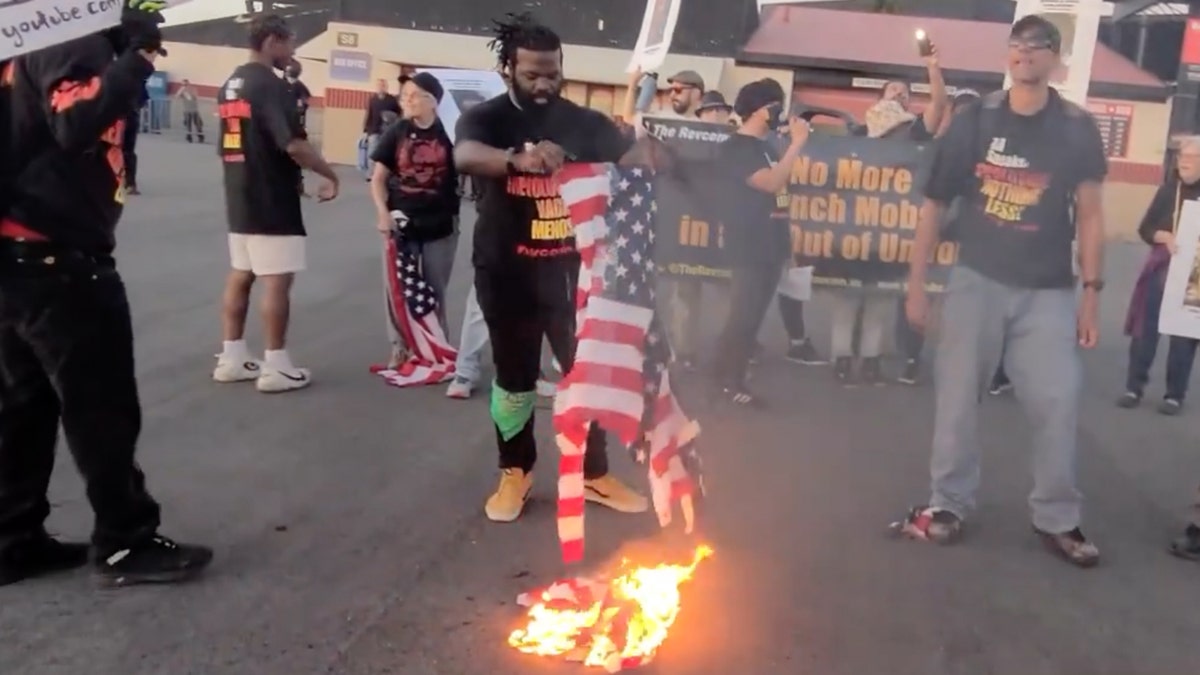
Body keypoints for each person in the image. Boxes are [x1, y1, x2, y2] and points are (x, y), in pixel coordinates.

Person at [0, 6, 212, 587]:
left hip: (18, 254)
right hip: (55, 258)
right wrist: (133, 60)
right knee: (102, 408)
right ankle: (124, 540)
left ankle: (13, 538)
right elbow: (76, 123)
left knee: (24, 408)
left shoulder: (26, 34)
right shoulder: (67, 35)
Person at [895, 16, 1107, 567]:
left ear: (1055, 60)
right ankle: (948, 505)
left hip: (1048, 292)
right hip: (976, 281)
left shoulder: (1076, 127)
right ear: (1007, 56)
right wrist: (916, 287)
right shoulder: (975, 120)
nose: (1024, 56)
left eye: (1037, 48)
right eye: (1016, 47)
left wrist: (1091, 293)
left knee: (1058, 401)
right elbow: (934, 206)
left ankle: (1058, 518)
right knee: (957, 398)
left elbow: (1089, 213)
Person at [454, 12, 648, 523]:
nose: (543, 84)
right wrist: (517, 160)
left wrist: (658, 145)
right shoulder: (488, 118)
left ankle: (593, 474)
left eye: (552, 74)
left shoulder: (583, 122)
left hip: (572, 276)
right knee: (515, 380)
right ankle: (515, 472)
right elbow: (466, 156)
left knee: (586, 377)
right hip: (506, 271)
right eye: (531, 74)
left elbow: (636, 158)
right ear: (508, 71)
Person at [212, 14, 339, 393]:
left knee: (241, 273)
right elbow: (293, 144)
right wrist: (329, 174)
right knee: (276, 281)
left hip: (239, 190)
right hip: (270, 196)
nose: (293, 51)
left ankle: (232, 357)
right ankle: (276, 364)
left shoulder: (230, 85)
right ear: (272, 41)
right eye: (290, 43)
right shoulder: (269, 86)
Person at [829, 44, 947, 386]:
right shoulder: (858, 135)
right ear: (879, 98)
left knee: (880, 297)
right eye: (893, 89)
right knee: (847, 294)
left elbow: (939, 106)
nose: (899, 94)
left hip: (891, 228)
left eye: (905, 92)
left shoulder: (913, 134)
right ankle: (841, 357)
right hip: (853, 225)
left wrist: (933, 67)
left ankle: (869, 359)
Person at [712, 79, 810, 407]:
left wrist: (788, 243)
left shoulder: (767, 147)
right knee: (743, 313)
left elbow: (781, 196)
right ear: (761, 109)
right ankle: (728, 379)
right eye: (776, 105)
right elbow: (769, 183)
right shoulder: (737, 148)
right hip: (748, 243)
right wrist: (797, 144)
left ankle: (733, 374)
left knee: (753, 316)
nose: (781, 112)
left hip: (772, 243)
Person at [369, 71, 459, 364]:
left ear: (433, 101)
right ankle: (400, 345)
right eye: (404, 95)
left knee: (435, 288)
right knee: (396, 286)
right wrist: (383, 214)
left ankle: (437, 345)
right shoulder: (396, 131)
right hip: (401, 221)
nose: (407, 100)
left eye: (414, 95)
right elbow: (378, 178)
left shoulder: (451, 133)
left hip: (441, 224)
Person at [895, 87, 977, 385]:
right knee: (914, 297)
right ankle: (911, 358)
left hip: (963, 241)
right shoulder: (934, 146)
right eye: (960, 111)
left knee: (956, 307)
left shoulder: (985, 151)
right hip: (929, 235)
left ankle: (951, 364)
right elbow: (920, 189)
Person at [1117, 137, 1200, 416]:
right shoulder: (1168, 191)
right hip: (1160, 269)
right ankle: (1133, 387)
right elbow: (1145, 228)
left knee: (1183, 336)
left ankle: (1174, 394)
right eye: (1181, 157)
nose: (1184, 162)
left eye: (1192, 157)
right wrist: (1161, 235)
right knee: (1145, 330)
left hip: (1194, 275)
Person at [362, 78, 400, 180]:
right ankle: (371, 174)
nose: (381, 88)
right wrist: (365, 131)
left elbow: (398, 115)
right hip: (374, 130)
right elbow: (368, 115)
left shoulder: (392, 100)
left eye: (383, 86)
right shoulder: (372, 100)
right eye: (379, 86)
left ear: (386, 87)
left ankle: (383, 175)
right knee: (372, 153)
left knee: (385, 153)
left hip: (387, 131)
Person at [123, 85, 148, 195]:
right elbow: (144, 100)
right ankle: (130, 183)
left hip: (118, 119)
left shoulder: (109, 76)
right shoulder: (137, 80)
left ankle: (127, 182)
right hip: (131, 118)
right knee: (128, 152)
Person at [177, 78, 205, 143]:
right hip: (186, 110)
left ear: (188, 84)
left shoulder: (193, 89)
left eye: (185, 84)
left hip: (194, 110)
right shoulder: (182, 91)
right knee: (188, 125)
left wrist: (188, 92)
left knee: (198, 124)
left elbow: (195, 97)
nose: (184, 86)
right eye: (183, 85)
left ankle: (200, 137)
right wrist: (181, 90)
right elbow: (177, 96)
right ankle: (189, 137)